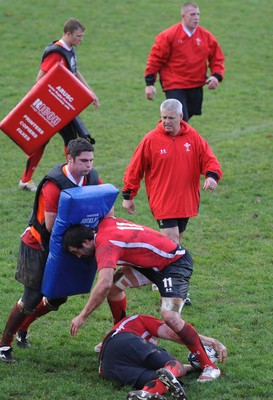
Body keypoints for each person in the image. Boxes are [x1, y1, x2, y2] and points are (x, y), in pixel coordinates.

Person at [63, 217, 222, 382]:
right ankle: (121, 334)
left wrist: (82, 316)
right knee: (114, 290)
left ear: (87, 242)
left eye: (77, 252)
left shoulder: (106, 246)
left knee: (170, 317)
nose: (79, 257)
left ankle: (209, 366)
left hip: (173, 264)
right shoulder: (105, 222)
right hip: (148, 265)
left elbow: (103, 284)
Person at [0, 138, 102, 363]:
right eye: (83, 161)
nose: (88, 165)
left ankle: (23, 329)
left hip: (69, 245)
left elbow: (104, 206)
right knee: (32, 297)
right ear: (70, 159)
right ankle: (3, 345)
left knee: (58, 297)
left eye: (91, 160)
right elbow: (51, 226)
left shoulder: (92, 177)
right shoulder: (54, 184)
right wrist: (85, 236)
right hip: (38, 244)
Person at [122, 99, 223, 246]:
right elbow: (135, 167)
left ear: (181, 116)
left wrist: (212, 177)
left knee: (177, 241)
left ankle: (160, 268)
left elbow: (209, 159)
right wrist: (128, 195)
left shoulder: (193, 136)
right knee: (171, 241)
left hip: (186, 199)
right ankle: (167, 268)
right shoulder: (151, 139)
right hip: (163, 199)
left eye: (171, 118)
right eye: (164, 117)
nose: (166, 121)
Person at [19, 18, 100, 192]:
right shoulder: (56, 52)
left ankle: (70, 177)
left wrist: (89, 92)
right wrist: (57, 97)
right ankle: (30, 180)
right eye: (78, 36)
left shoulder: (69, 50)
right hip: (52, 107)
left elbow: (74, 70)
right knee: (46, 142)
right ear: (68, 34)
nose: (81, 39)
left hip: (63, 108)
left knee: (69, 139)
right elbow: (40, 79)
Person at [99, 314, 227, 400]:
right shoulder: (139, 320)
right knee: (173, 364)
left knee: (161, 379)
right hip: (123, 340)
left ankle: (146, 394)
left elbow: (167, 375)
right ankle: (159, 384)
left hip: (107, 368)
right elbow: (175, 334)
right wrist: (210, 341)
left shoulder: (129, 345)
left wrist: (193, 367)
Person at [144, 2, 225, 122]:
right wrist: (149, 84)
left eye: (198, 14)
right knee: (180, 119)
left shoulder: (206, 37)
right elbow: (155, 59)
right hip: (174, 84)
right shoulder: (169, 36)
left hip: (196, 83)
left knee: (191, 112)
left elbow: (217, 58)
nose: (196, 17)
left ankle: (168, 131)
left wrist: (216, 76)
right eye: (192, 14)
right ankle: (169, 135)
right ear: (183, 16)